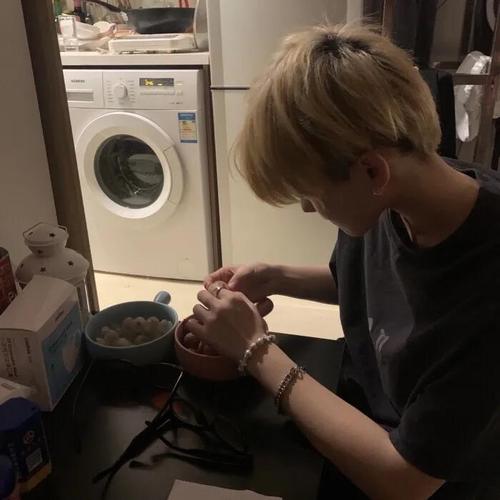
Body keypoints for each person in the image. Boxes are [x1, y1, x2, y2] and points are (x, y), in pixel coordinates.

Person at [185, 23, 500, 499]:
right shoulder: (399, 195)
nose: (307, 208)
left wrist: (256, 350)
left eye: (311, 194)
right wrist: (275, 276)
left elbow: (405, 481)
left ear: (372, 171)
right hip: (359, 408)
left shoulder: (487, 289)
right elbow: (379, 285)